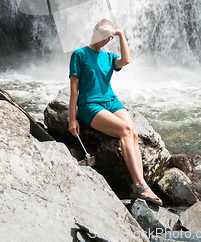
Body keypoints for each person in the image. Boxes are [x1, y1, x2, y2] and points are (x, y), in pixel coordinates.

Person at [68, 18, 162, 206]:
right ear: (95, 31)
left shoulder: (109, 57)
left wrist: (120, 34)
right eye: (103, 35)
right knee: (125, 130)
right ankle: (140, 185)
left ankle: (140, 184)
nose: (105, 40)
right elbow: (73, 89)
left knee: (133, 132)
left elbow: (126, 60)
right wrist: (72, 119)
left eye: (109, 37)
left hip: (111, 101)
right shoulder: (79, 54)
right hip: (90, 105)